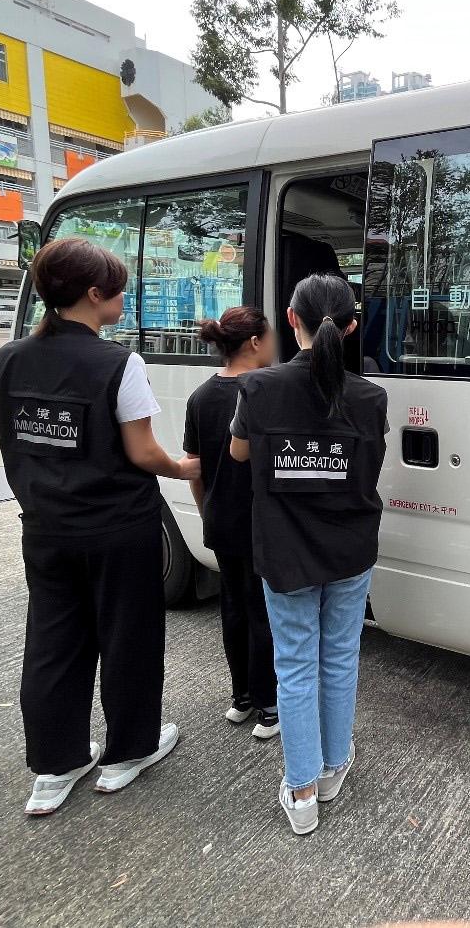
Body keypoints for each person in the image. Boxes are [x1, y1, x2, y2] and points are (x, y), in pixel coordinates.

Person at [0, 237, 199, 816]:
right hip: (117, 528)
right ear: (93, 295)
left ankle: (55, 767)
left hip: (46, 527)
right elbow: (143, 453)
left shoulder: (9, 358)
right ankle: (128, 752)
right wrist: (182, 467)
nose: (122, 301)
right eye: (117, 292)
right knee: (127, 636)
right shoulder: (118, 363)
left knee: (54, 642)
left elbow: (19, 442)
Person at [228, 273, 388, 836]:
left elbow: (240, 453)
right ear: (350, 327)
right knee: (340, 656)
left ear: (290, 320)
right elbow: (369, 468)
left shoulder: (259, 389)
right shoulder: (371, 397)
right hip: (350, 548)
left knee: (294, 663)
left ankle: (300, 793)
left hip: (286, 551)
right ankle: (332, 767)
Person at [183, 306, 279, 740]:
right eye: (271, 334)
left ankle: (241, 698)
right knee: (264, 612)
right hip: (259, 521)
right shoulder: (264, 391)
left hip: (220, 519)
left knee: (233, 608)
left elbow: (194, 468)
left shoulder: (201, 396)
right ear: (255, 342)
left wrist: (208, 511)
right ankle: (269, 706)